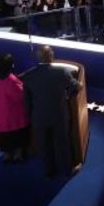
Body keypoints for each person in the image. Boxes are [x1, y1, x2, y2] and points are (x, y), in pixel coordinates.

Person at [24, 45, 82, 178]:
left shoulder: (29, 76)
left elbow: (27, 101)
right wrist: (80, 85)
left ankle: (49, 171)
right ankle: (68, 170)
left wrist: (30, 118)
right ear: (51, 56)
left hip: (39, 117)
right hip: (59, 116)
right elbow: (76, 86)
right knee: (63, 143)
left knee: (44, 145)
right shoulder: (61, 72)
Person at [0, 54, 30, 163]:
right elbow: (21, 96)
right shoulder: (11, 80)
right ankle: (18, 155)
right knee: (17, 135)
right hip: (11, 117)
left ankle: (7, 156)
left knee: (3, 137)